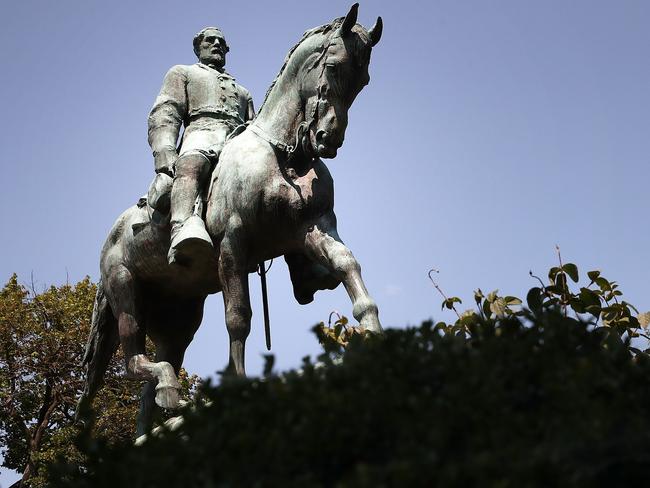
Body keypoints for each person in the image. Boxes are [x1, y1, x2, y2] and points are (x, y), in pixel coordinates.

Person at [147, 27, 255, 265]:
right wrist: (165, 150)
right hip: (201, 131)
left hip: (238, 140)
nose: (217, 44)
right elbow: (166, 112)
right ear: (198, 47)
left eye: (222, 42)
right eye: (210, 40)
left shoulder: (243, 92)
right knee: (193, 162)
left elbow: (253, 125)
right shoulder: (183, 72)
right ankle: (182, 226)